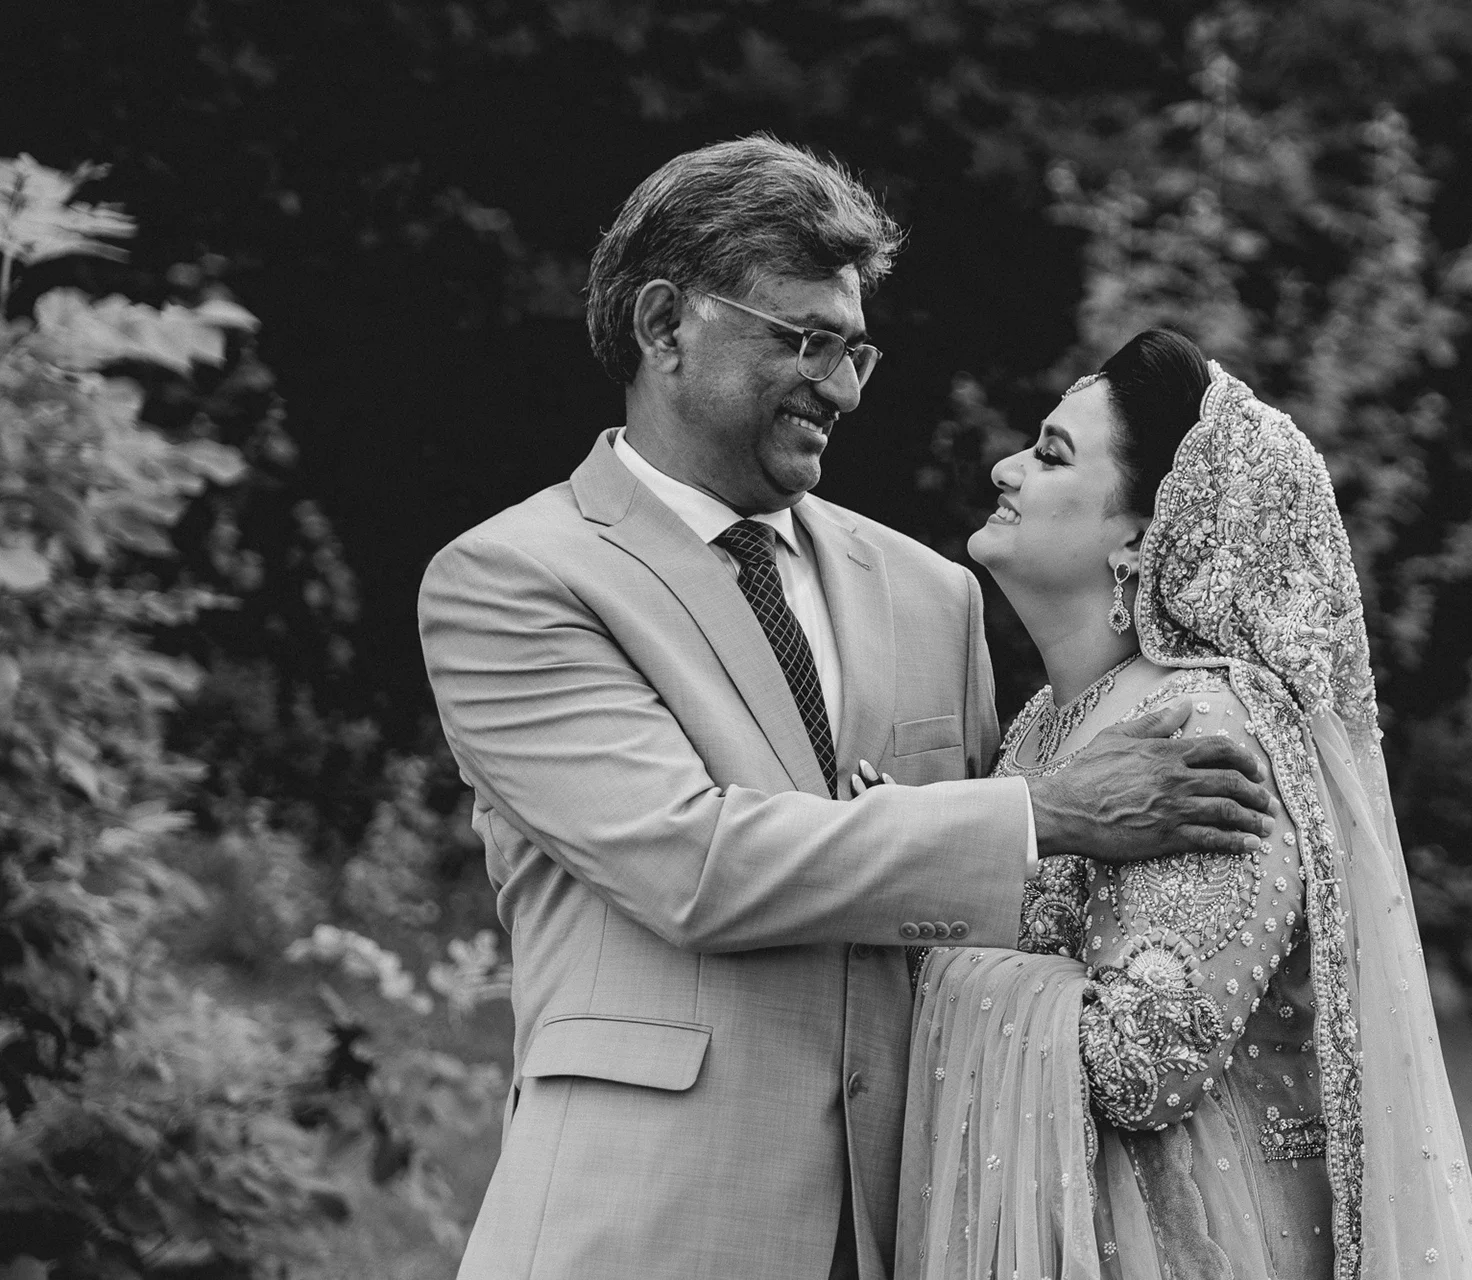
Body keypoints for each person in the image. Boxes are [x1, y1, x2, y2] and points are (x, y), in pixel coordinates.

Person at [417, 137, 1280, 1280]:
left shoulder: (934, 597)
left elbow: (986, 913)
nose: (839, 385)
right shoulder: (514, 578)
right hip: (641, 1225)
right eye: (804, 340)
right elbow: (695, 862)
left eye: (856, 348)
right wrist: (1037, 810)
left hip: (911, 1222)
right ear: (666, 324)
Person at [894, 330, 1472, 1280]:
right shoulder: (1044, 727)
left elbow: (1149, 1057)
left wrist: (917, 932)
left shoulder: (1202, 725)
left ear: (1144, 534)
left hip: (1186, 1241)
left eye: (1052, 454)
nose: (1006, 467)